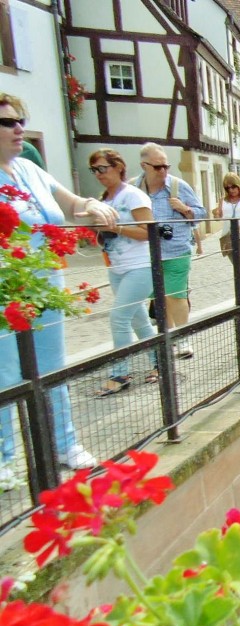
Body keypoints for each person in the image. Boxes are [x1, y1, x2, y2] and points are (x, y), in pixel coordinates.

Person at [0, 93, 117, 473]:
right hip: (6, 291)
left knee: (52, 366)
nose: (19, 129)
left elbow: (71, 205)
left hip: (47, 284)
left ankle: (63, 443)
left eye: (19, 120)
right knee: (5, 374)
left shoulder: (30, 169)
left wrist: (92, 206)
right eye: (7, 123)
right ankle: (5, 458)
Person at [89, 148, 159, 396]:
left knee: (119, 317)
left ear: (118, 167)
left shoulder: (133, 196)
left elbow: (147, 232)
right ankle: (159, 362)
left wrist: (116, 228)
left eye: (102, 168)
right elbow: (104, 236)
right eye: (94, 170)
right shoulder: (103, 199)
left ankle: (119, 373)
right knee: (139, 318)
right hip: (116, 267)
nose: (98, 174)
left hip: (139, 266)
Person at [135, 142, 206, 359]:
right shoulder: (134, 189)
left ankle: (183, 338)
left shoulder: (178, 186)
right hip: (145, 253)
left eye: (166, 166)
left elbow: (202, 213)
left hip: (176, 250)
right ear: (144, 165)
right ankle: (167, 337)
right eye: (157, 167)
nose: (163, 171)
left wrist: (184, 209)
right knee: (158, 296)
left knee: (176, 294)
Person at [212, 173, 240, 291]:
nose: (231, 190)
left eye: (233, 187)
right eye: (228, 188)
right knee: (237, 267)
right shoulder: (223, 200)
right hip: (228, 238)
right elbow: (219, 218)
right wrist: (216, 214)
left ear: (239, 185)